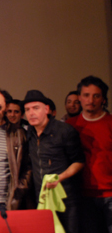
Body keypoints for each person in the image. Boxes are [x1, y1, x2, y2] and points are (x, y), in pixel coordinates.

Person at [24, 90, 85, 233]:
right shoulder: (29, 133)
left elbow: (79, 161)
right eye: (27, 109)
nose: (31, 113)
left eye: (35, 108)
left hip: (66, 198)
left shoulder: (64, 131)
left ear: (46, 109)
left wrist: (60, 177)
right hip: (42, 198)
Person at [67, 76, 112, 233]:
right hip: (82, 195)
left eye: (96, 95)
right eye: (86, 95)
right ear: (79, 97)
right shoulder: (70, 126)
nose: (90, 100)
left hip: (110, 193)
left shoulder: (110, 123)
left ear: (103, 99)